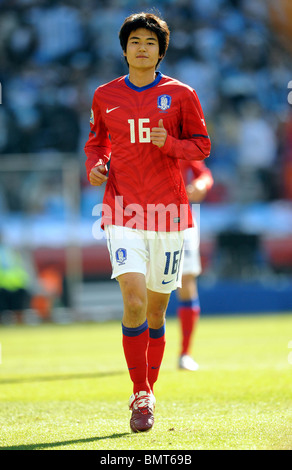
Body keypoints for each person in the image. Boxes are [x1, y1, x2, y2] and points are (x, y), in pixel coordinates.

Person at [84, 12, 211, 433]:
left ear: (161, 51)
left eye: (150, 43)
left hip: (169, 214)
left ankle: (148, 390)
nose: (142, 48)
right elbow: (97, 142)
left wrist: (170, 143)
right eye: (135, 41)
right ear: (124, 49)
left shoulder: (181, 94)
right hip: (123, 210)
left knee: (156, 311)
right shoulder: (104, 95)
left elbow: (202, 146)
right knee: (134, 301)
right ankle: (140, 393)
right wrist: (97, 166)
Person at [177, 159, 213, 371]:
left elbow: (204, 174)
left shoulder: (181, 141)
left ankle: (185, 353)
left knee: (187, 279)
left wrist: (201, 184)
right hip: (146, 216)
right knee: (148, 287)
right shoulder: (140, 134)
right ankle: (147, 353)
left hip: (182, 216)